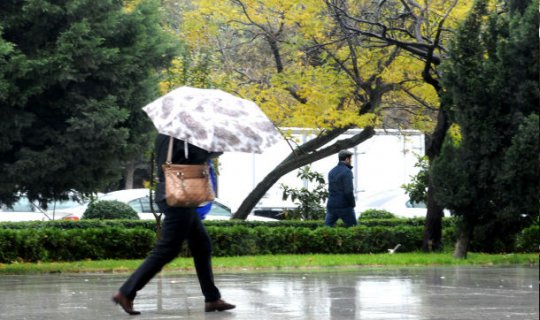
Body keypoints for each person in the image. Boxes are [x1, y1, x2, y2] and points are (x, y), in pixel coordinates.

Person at [112, 134, 235, 315]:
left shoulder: (166, 134)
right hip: (178, 195)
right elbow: (196, 155)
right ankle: (126, 292)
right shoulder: (181, 136)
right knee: (167, 249)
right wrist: (217, 148)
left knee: (202, 245)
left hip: (177, 193)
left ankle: (212, 298)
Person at [325, 150, 357, 227]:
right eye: (350, 159)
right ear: (347, 159)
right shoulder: (347, 171)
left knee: (326, 229)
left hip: (332, 205)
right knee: (354, 229)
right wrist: (352, 204)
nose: (351, 161)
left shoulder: (331, 171)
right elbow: (348, 191)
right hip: (344, 206)